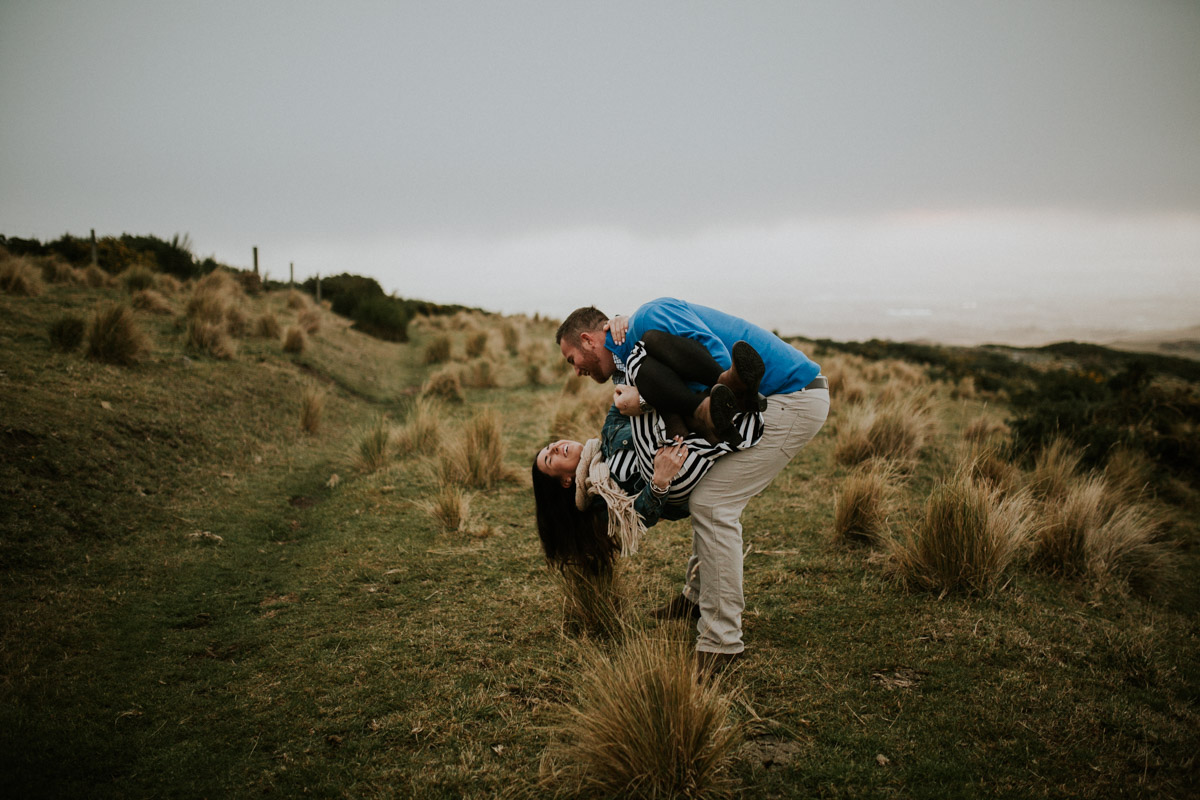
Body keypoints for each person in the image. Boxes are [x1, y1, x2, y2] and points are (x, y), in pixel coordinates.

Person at [555, 298, 829, 669]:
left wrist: (647, 398)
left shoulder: (649, 319)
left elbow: (718, 364)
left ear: (588, 340)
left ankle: (721, 642)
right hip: (772, 398)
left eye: (572, 360)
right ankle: (697, 597)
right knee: (705, 492)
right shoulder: (630, 356)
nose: (576, 371)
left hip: (790, 396)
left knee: (713, 504)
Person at [532, 331, 767, 574]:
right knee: (637, 360)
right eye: (551, 458)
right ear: (565, 480)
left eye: (552, 445)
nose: (557, 447)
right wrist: (658, 482)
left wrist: (620, 325)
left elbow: (624, 384)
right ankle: (716, 394)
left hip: (685, 446)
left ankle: (730, 394)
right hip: (670, 478)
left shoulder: (608, 432)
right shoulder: (598, 499)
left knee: (648, 342)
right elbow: (640, 516)